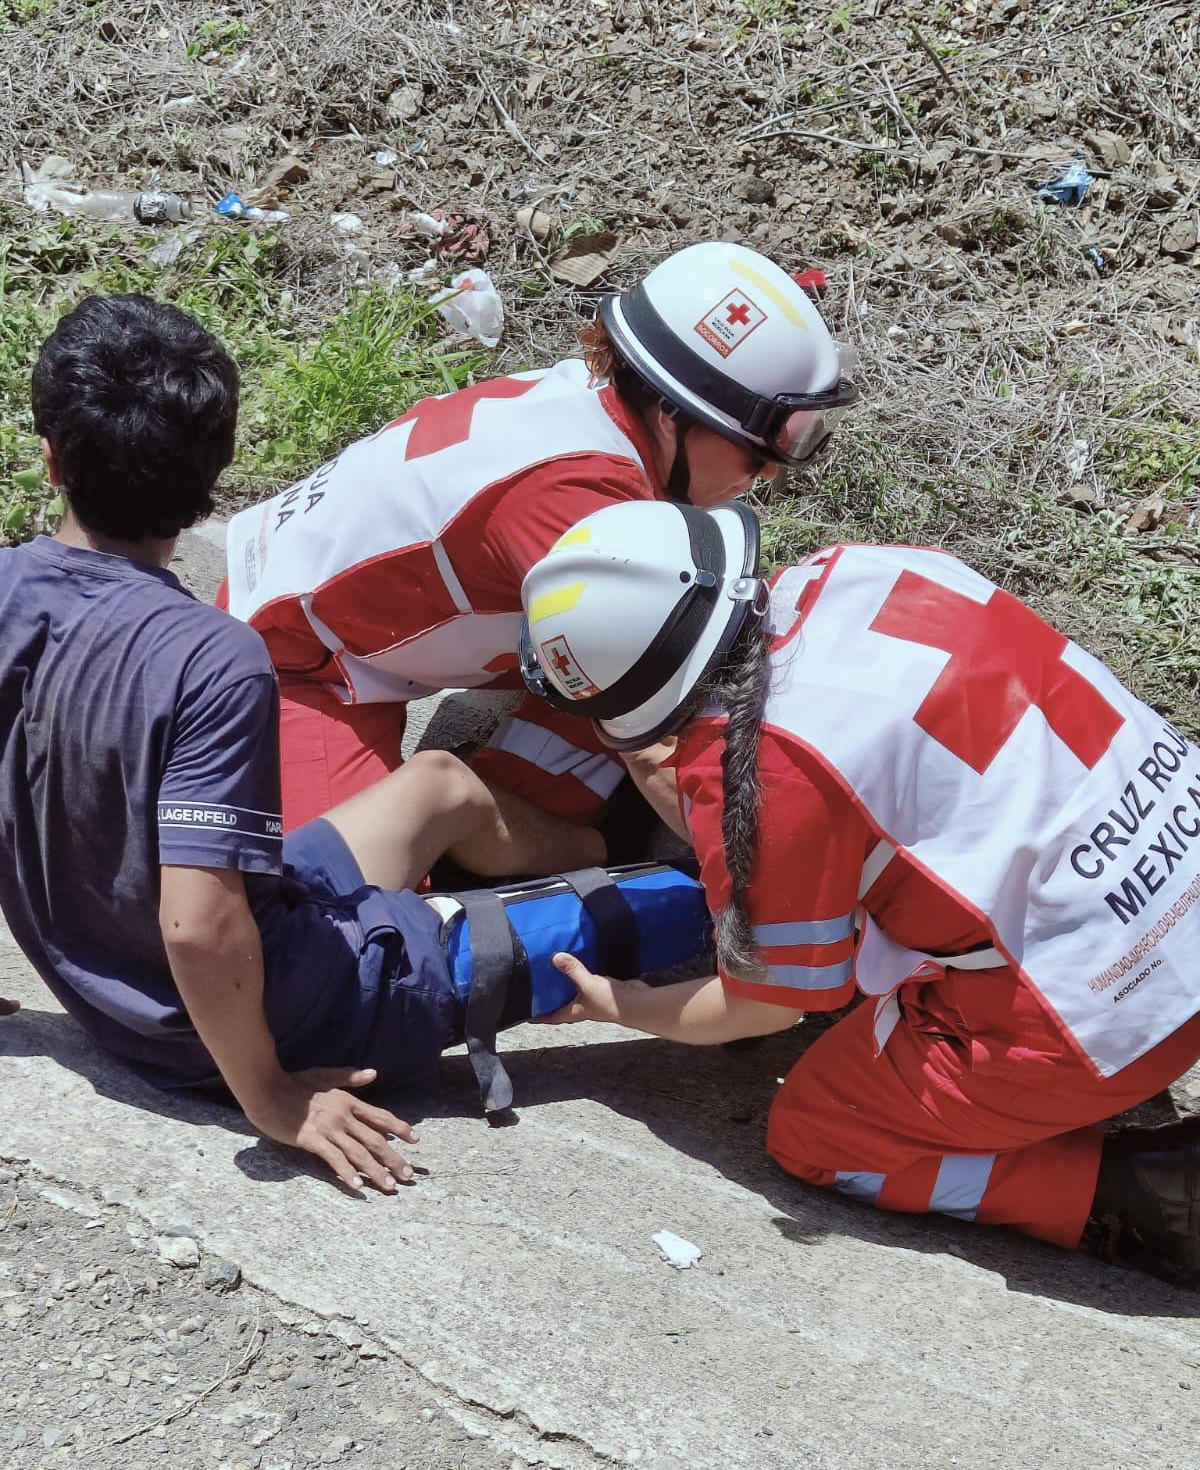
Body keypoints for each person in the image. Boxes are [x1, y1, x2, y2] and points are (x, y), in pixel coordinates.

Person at [0, 297, 709, 1194]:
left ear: (51, 453)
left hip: (151, 973)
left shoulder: (9, 589)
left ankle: (604, 847)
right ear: (217, 469)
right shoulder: (214, 657)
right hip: (261, 1017)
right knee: (647, 921)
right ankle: (716, 900)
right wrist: (269, 1098)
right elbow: (199, 925)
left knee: (438, 783)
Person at [517, 499, 1200, 1285]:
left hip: (1103, 1014)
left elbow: (764, 1006)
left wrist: (621, 1006)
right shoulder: (865, 569)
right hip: (1174, 867)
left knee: (817, 1138)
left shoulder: (761, 770)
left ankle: (1148, 1193)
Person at [220, 241, 859, 851]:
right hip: (290, 663)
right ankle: (537, 849)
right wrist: (767, 873)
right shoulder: (574, 505)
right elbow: (658, 759)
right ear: (671, 413)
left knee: (659, 651)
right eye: (758, 446)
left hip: (302, 578)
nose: (770, 471)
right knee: (346, 919)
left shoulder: (590, 399)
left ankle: (504, 820)